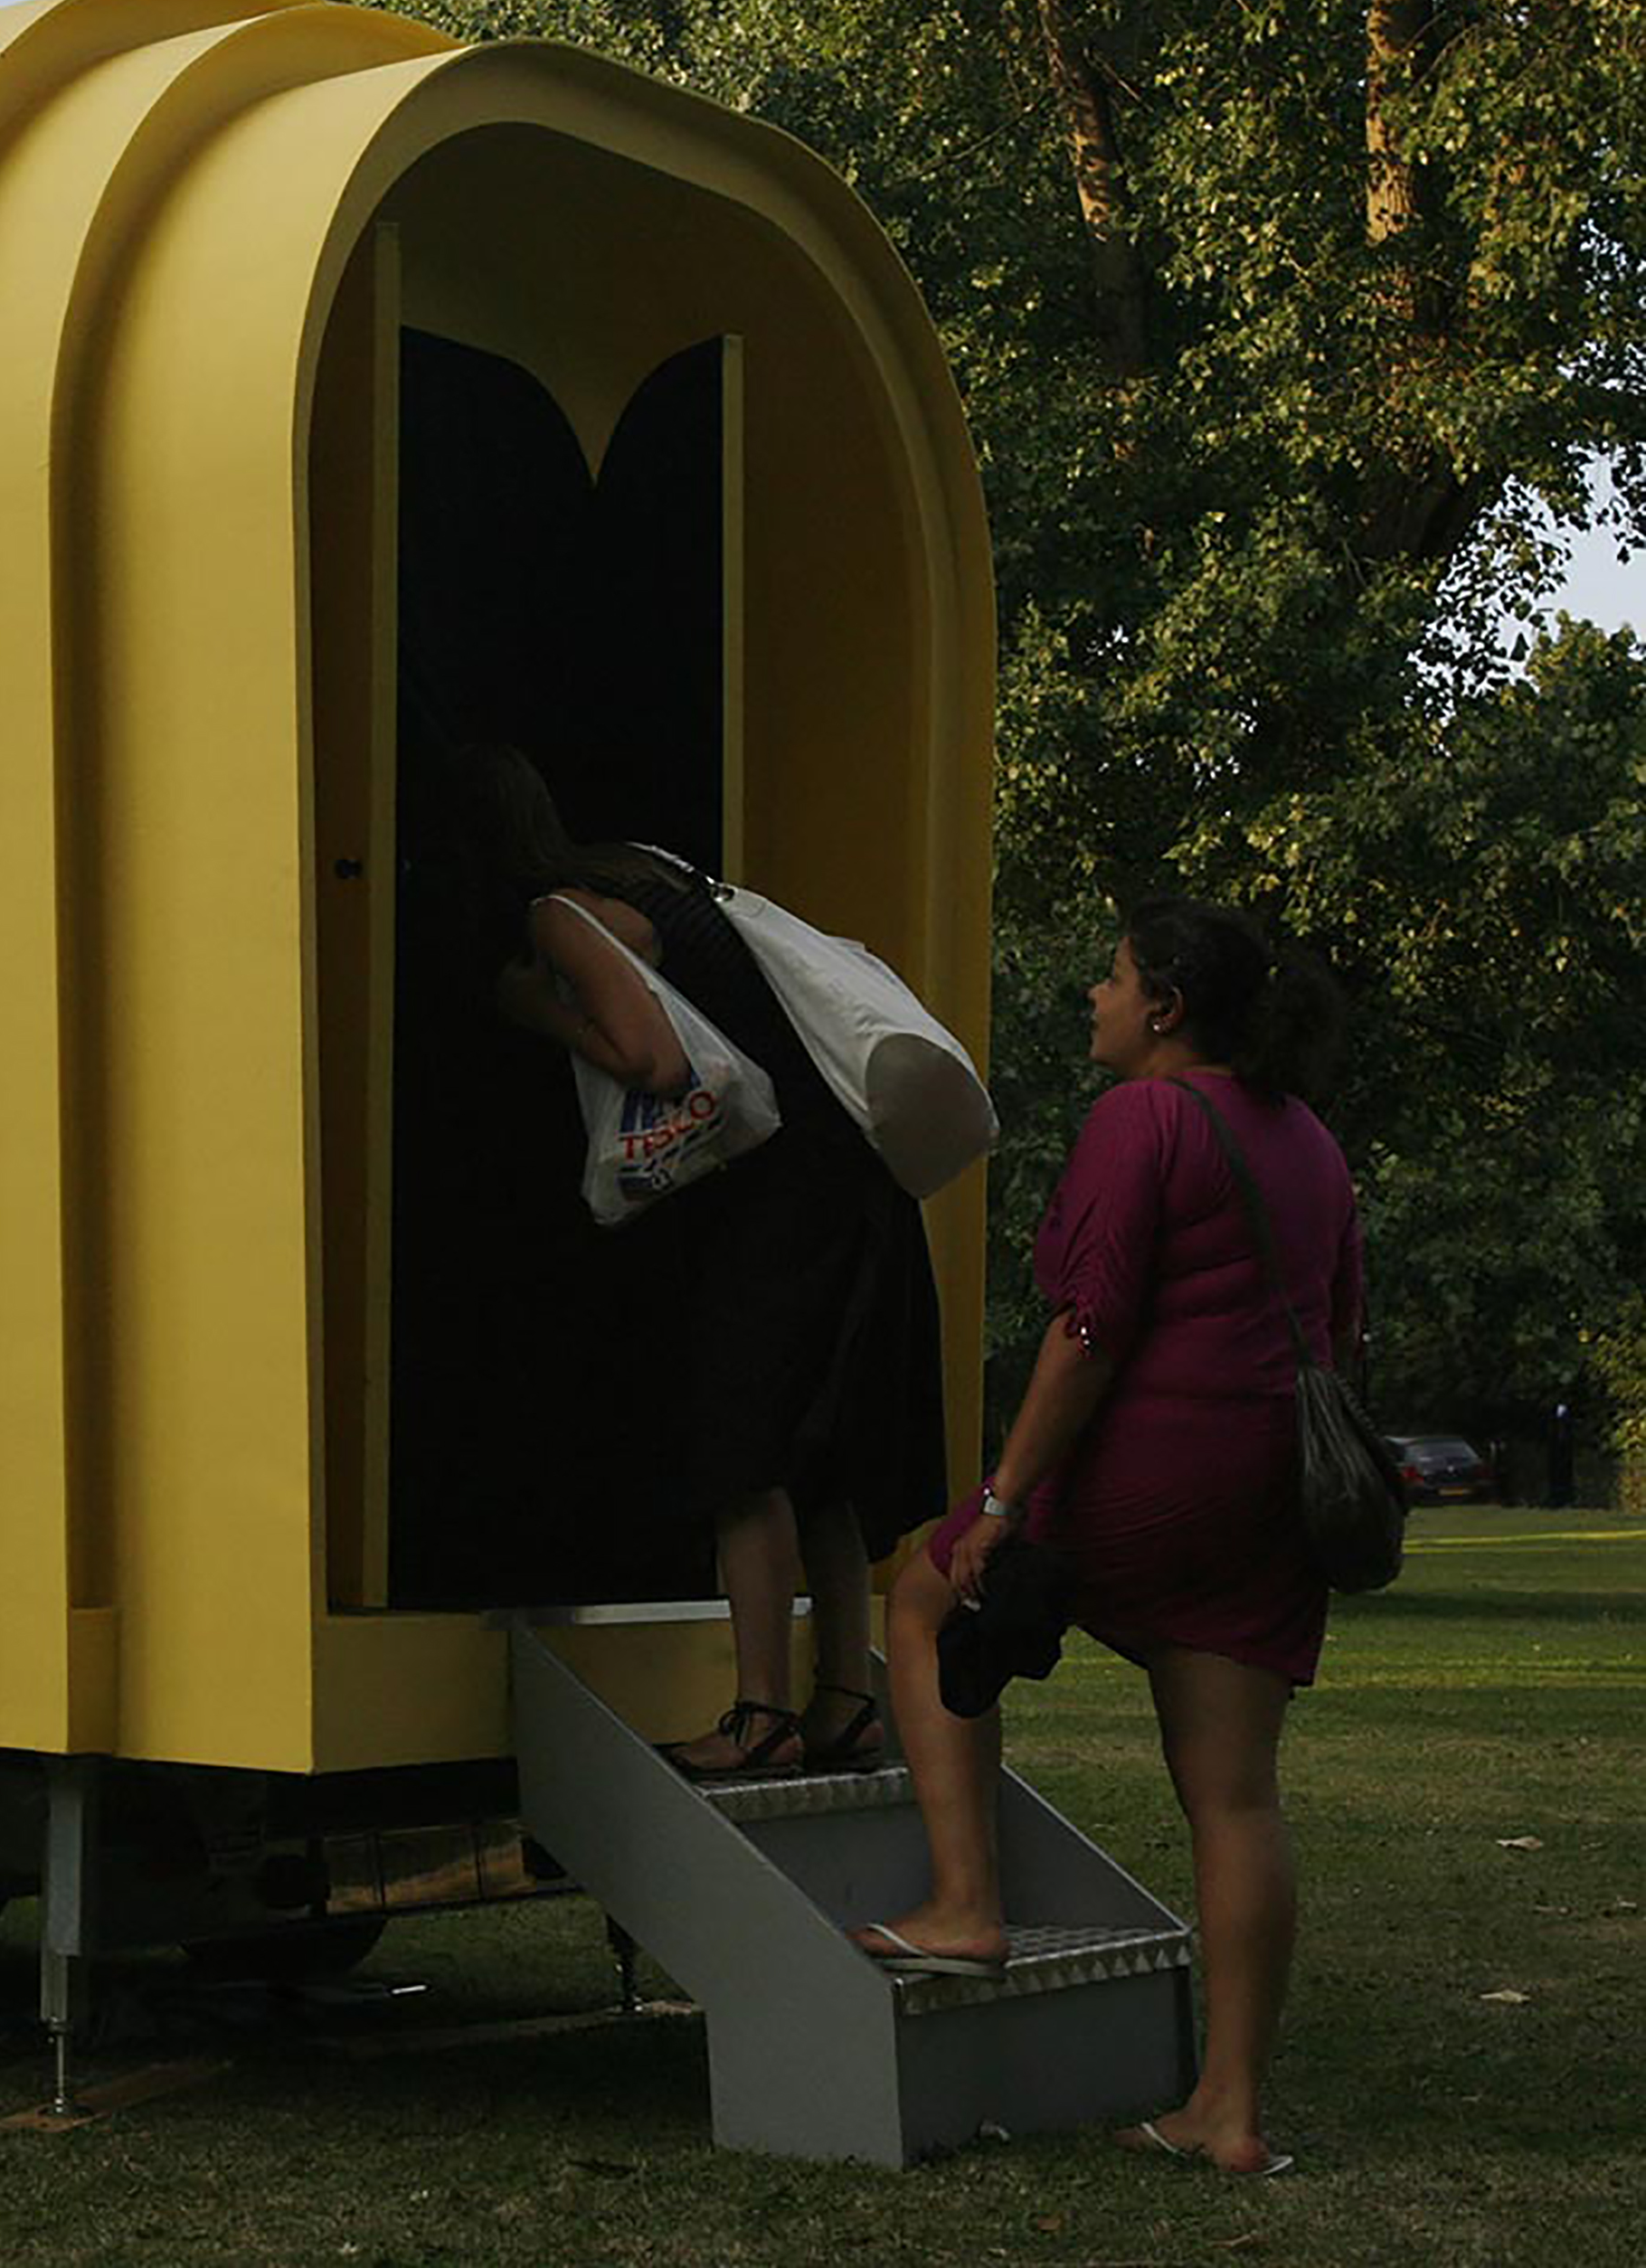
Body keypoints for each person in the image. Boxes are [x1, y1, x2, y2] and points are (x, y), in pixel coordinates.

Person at [854, 899, 1356, 2180]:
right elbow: (1340, 1324)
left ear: (1167, 1006)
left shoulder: (1145, 1116)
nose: (1095, 993)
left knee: (920, 1599)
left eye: (1113, 976)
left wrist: (1010, 1494)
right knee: (1235, 1795)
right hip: (1267, 1493)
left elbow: (1091, 1324)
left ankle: (965, 1905)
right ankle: (1228, 2111)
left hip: (1146, 1466)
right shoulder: (1307, 1140)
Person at [445, 746, 945, 1775]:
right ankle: (843, 1703)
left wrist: (536, 1010)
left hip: (774, 1196)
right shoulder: (648, 868)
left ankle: (757, 1716)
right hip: (853, 1178)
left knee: (739, 1451)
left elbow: (656, 1060)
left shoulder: (557, 915)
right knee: (821, 1461)